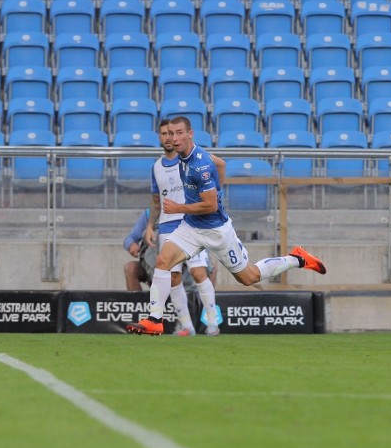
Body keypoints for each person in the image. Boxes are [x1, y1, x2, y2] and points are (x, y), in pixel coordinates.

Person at [127, 116, 327, 336]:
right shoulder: (185, 155)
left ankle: (297, 258)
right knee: (163, 261)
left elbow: (211, 206)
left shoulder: (199, 164)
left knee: (248, 277)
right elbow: (220, 165)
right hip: (191, 227)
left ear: (190, 134)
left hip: (216, 231)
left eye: (179, 133)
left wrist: (179, 208)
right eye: (171, 133)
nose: (174, 138)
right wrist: (215, 190)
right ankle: (155, 319)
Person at [143, 118, 226, 336]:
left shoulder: (190, 159)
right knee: (173, 276)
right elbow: (155, 200)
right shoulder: (156, 167)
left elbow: (219, 166)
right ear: (160, 137)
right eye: (164, 134)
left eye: (172, 134)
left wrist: (216, 194)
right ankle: (187, 326)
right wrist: (151, 225)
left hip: (191, 221)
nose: (169, 138)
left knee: (199, 273)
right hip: (167, 225)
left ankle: (212, 324)